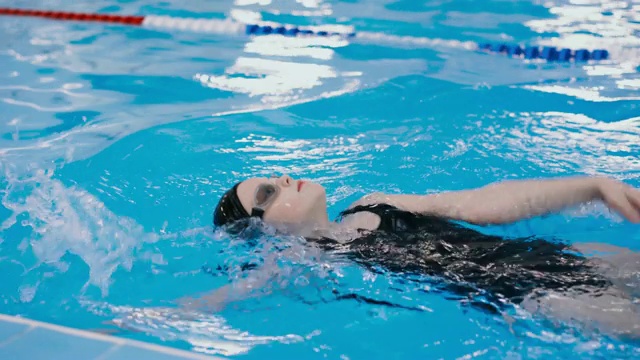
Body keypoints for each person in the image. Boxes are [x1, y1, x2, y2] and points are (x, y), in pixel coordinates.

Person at [196, 174, 640, 339]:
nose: (285, 177)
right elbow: (228, 297)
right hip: (529, 295)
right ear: (261, 227)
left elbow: (477, 202)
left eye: (275, 173)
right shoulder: (309, 258)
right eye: (268, 191)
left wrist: (592, 185)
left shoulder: (374, 203)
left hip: (554, 255)